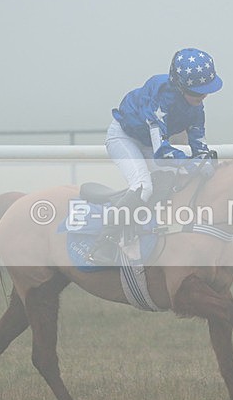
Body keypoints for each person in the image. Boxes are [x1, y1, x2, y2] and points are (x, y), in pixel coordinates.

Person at [90, 48, 222, 264]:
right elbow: (161, 151)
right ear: (180, 86)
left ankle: (152, 233)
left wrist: (205, 160)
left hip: (148, 142)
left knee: (171, 181)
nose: (203, 96)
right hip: (124, 137)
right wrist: (192, 165)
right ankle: (103, 243)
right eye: (197, 92)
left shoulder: (197, 109)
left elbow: (199, 145)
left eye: (206, 91)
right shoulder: (160, 94)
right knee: (143, 187)